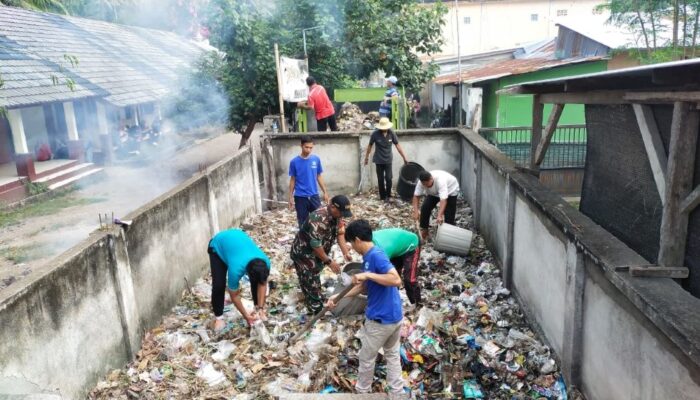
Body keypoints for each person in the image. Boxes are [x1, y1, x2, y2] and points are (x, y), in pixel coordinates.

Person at [326, 219, 404, 397]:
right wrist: (338, 297)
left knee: (366, 359)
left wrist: (367, 274)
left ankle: (362, 393)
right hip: (394, 317)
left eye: (351, 243)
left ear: (357, 240)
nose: (351, 247)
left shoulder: (376, 255)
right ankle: (397, 393)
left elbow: (395, 279)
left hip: (381, 320)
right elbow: (364, 287)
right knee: (392, 356)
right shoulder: (370, 256)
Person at [291, 195, 353, 314]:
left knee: (314, 277)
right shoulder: (317, 219)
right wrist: (329, 262)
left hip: (318, 254)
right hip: (304, 254)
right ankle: (316, 310)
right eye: (341, 212)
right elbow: (315, 246)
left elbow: (340, 233)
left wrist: (345, 252)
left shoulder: (337, 216)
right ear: (332, 206)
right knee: (309, 280)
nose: (342, 216)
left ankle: (316, 299)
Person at [208, 228, 271, 331]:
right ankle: (218, 317)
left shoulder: (266, 262)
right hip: (218, 246)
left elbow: (262, 284)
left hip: (237, 239)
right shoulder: (236, 269)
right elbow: (235, 295)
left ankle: (257, 310)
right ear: (246, 273)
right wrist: (245, 315)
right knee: (219, 284)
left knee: (257, 280)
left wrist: (260, 308)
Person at [372, 228, 422, 306]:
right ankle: (394, 303)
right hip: (395, 248)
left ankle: (417, 305)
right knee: (394, 275)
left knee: (409, 279)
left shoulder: (382, 251)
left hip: (411, 244)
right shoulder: (367, 241)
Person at [288, 135, 330, 227]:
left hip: (314, 196)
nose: (308, 150)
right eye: (306, 147)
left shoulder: (316, 159)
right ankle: (303, 240)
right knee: (302, 223)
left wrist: (325, 192)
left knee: (319, 221)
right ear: (301, 146)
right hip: (300, 197)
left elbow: (318, 176)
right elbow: (293, 179)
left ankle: (316, 240)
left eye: (311, 148)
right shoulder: (294, 162)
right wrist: (290, 196)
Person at [364, 117, 409, 202]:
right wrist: (366, 158)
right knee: (380, 179)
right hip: (378, 160)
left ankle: (388, 195)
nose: (384, 129)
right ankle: (382, 196)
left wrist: (404, 158)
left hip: (388, 160)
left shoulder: (391, 133)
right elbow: (369, 146)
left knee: (388, 178)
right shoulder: (375, 134)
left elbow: (398, 146)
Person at [412, 170, 460, 241]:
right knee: (425, 208)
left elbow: (443, 200)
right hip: (434, 193)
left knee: (449, 215)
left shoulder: (440, 181)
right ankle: (425, 230)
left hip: (451, 190)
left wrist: (439, 215)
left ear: (431, 179)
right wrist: (416, 212)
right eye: (424, 184)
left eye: (427, 184)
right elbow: (416, 196)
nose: (425, 186)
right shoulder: (421, 183)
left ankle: (448, 236)